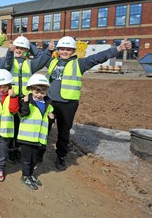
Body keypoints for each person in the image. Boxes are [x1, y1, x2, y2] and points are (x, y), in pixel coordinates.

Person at [45, 36, 132, 171]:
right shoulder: (53, 62)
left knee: (64, 131)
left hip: (68, 103)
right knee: (44, 127)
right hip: (50, 101)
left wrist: (118, 48)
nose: (65, 52)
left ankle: (60, 156)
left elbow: (97, 57)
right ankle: (39, 152)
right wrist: (47, 50)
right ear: (58, 50)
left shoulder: (79, 63)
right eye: (62, 49)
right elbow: (38, 55)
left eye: (68, 49)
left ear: (73, 50)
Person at [4, 36, 54, 163]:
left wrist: (49, 51)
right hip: (13, 97)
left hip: (26, 99)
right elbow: (6, 64)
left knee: (23, 125)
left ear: (26, 50)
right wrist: (10, 52)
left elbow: (42, 61)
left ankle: (21, 148)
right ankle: (12, 150)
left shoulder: (30, 63)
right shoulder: (9, 61)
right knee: (12, 125)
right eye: (17, 48)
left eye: (22, 48)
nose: (19, 50)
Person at [18, 74, 55, 190]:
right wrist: (24, 103)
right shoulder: (26, 101)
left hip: (39, 138)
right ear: (31, 89)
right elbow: (23, 113)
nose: (39, 95)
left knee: (34, 158)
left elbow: (50, 118)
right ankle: (25, 176)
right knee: (26, 159)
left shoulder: (48, 104)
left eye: (42, 93)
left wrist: (52, 117)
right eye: (37, 92)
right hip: (26, 137)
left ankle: (30, 174)